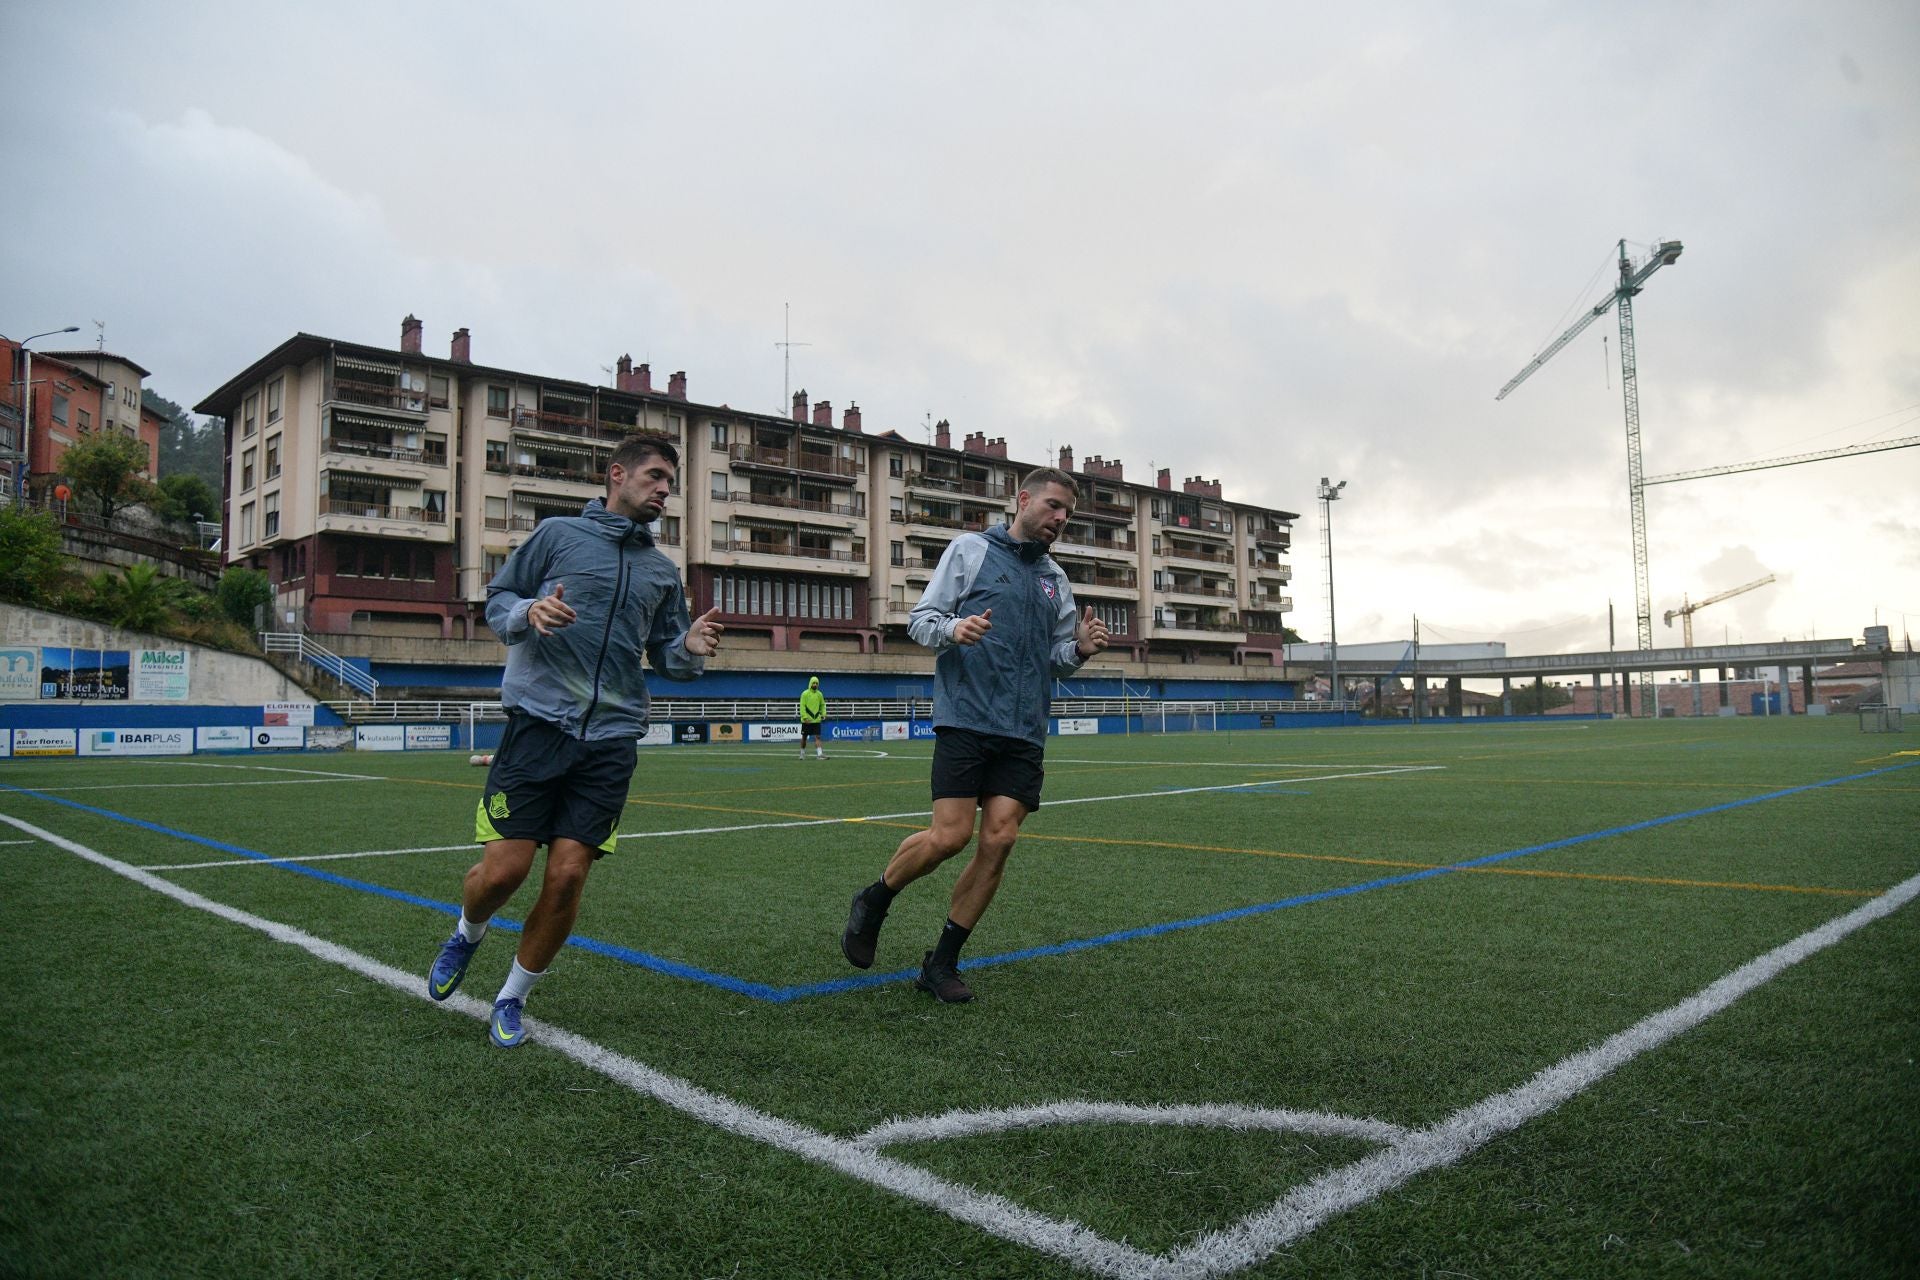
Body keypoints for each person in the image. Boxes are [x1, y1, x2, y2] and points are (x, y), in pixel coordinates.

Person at [426, 435, 723, 1048]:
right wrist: (529, 610)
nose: (665, 489)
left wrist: (688, 651)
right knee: (502, 873)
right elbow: (498, 599)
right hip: (538, 724)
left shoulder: (662, 573)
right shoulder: (556, 536)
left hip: (611, 740)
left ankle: (512, 998)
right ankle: (467, 931)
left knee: (566, 877)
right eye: (655, 476)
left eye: (671, 481)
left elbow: (667, 654)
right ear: (617, 474)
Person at [839, 467, 1108, 1002]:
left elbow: (1055, 660)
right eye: (1054, 506)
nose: (1060, 519)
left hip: (1025, 727)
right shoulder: (969, 551)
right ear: (1024, 499)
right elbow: (921, 620)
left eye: (1068, 514)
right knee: (950, 837)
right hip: (965, 716)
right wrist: (953, 629)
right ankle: (875, 898)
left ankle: (941, 964)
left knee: (1000, 839)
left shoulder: (1057, 580)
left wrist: (1079, 649)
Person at [798, 675, 827, 759]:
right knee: (804, 737)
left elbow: (822, 705)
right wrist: (804, 717)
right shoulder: (805, 694)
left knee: (818, 737)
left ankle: (819, 754)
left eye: (816, 683)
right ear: (810, 683)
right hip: (807, 720)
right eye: (813, 683)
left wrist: (824, 714)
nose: (815, 684)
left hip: (816, 720)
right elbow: (802, 706)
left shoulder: (820, 694)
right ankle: (802, 754)